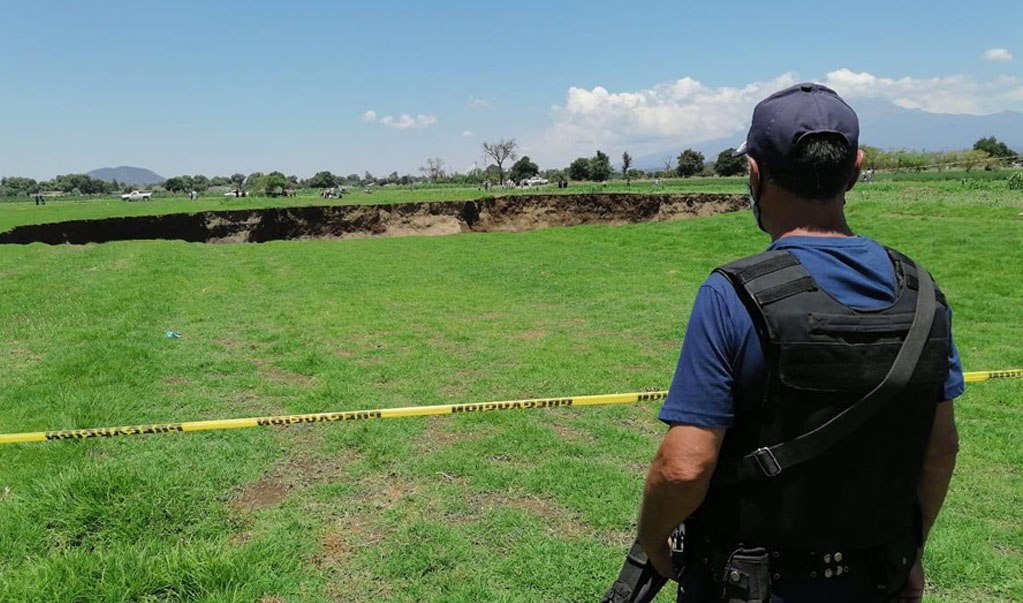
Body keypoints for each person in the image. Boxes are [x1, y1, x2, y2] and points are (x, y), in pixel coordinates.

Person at [635, 83, 963, 602]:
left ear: (755, 173)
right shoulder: (923, 295)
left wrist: (651, 539)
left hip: (749, 584)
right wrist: (910, 554)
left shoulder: (731, 294)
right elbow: (940, 447)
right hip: (877, 577)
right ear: (855, 169)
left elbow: (685, 465)